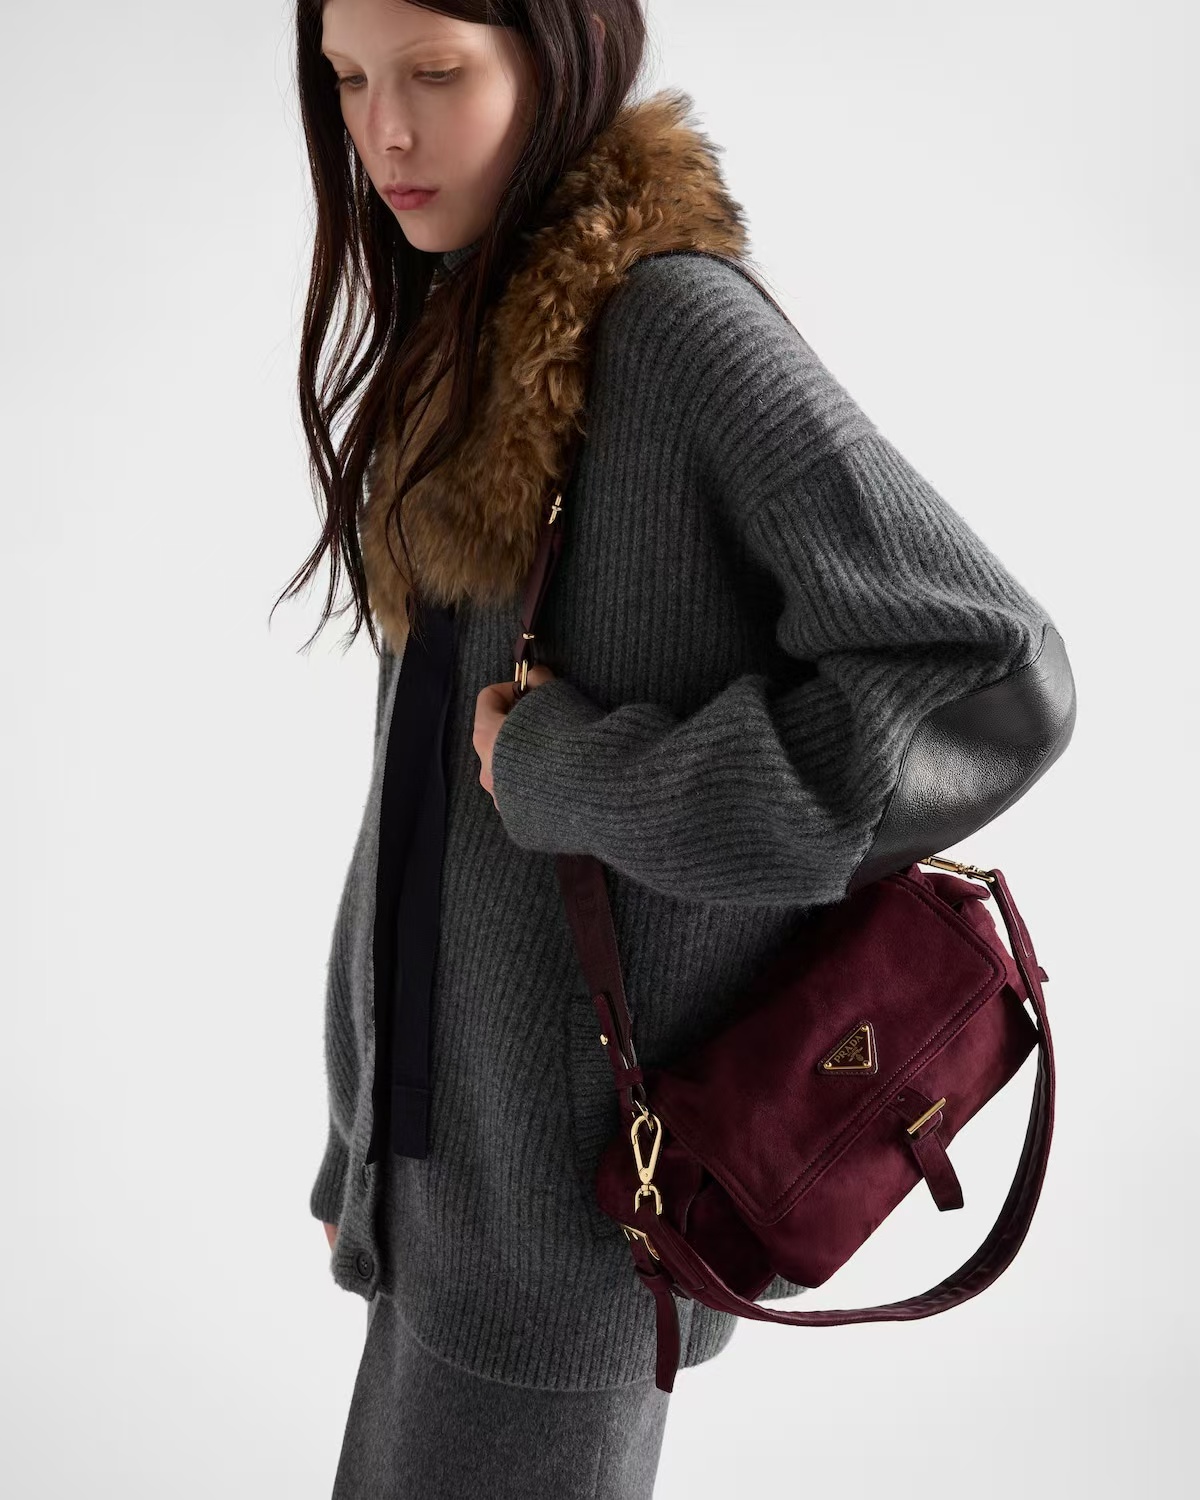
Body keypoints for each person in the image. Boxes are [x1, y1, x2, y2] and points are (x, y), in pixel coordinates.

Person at [279, 1, 1077, 1495]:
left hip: (576, 1223)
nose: (384, 131)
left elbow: (992, 683)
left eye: (436, 73)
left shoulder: (672, 329)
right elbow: (416, 809)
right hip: (441, 1195)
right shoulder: (469, 323)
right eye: (347, 79)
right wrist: (360, 1140)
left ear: (559, 52)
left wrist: (580, 773)